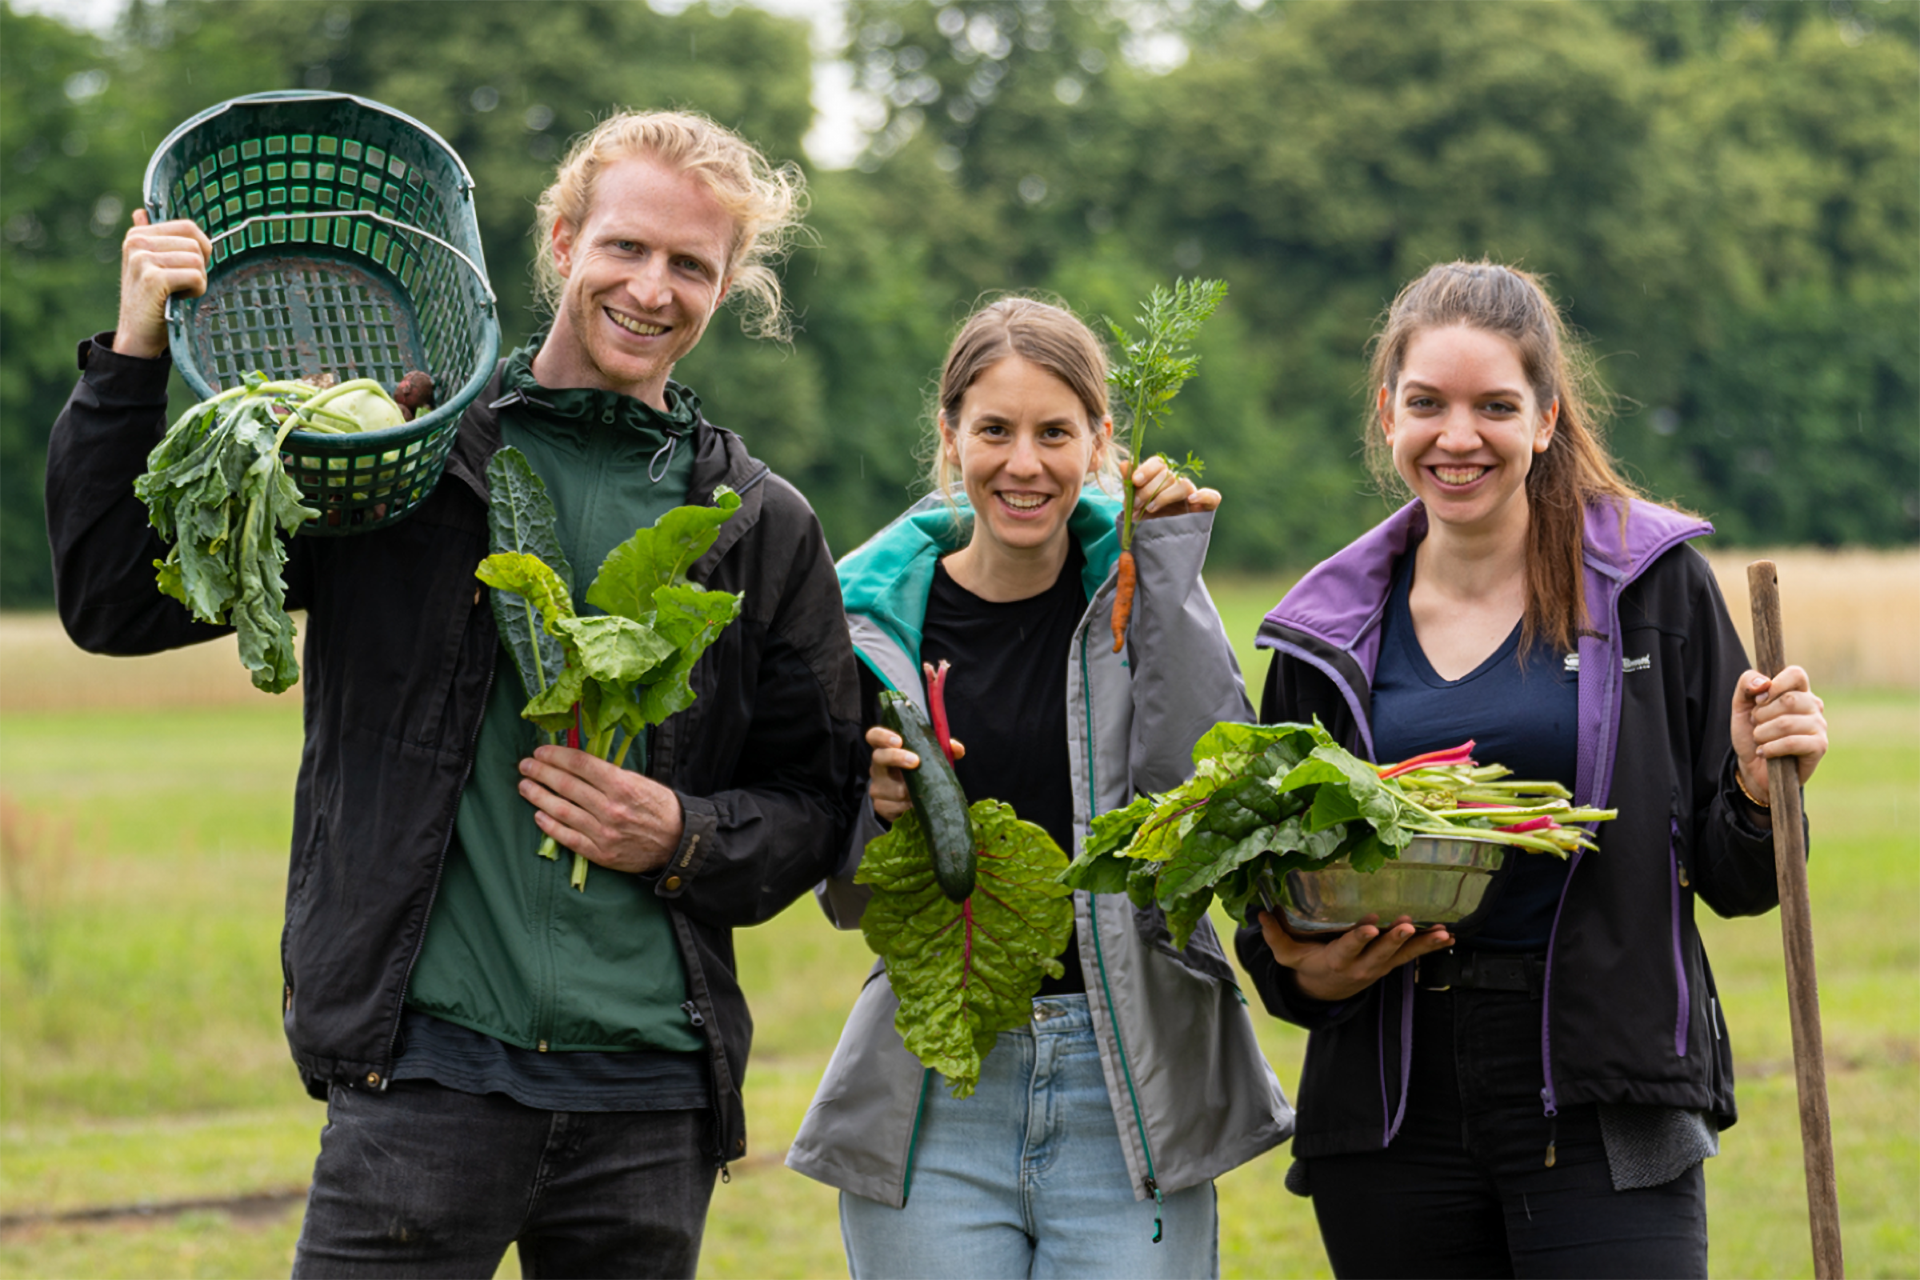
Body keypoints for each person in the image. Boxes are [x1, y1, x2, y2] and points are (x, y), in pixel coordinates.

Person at [46, 109, 865, 1278]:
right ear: (565, 238)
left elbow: (814, 802)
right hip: (424, 1078)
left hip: (647, 1098)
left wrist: (682, 833)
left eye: (692, 264)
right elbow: (113, 600)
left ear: (728, 285)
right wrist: (131, 358)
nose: (652, 287)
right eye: (626, 248)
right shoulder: (403, 459)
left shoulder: (757, 525)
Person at [1236, 261, 1830, 1279]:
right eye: (1427, 403)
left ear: (1546, 417)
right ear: (1388, 413)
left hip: (1606, 1094)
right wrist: (1301, 966)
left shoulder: (1650, 587)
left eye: (1494, 406)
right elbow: (1279, 908)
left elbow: (1742, 880)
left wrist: (1757, 785)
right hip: (1390, 1115)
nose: (1457, 436)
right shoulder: (1323, 633)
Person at [784, 297, 1293, 1279]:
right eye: (995, 430)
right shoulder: (866, 623)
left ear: (1100, 441)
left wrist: (1174, 569)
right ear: (950, 437)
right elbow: (845, 895)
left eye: (1055, 432)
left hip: (1129, 1080)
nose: (1024, 463)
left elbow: (1209, 795)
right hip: (940, 1079)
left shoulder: (1137, 596)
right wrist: (874, 818)